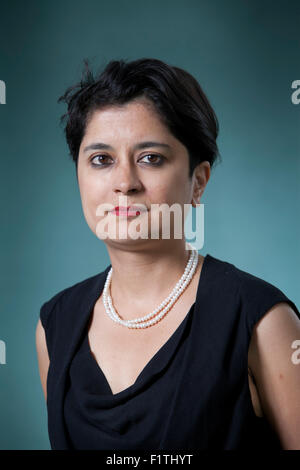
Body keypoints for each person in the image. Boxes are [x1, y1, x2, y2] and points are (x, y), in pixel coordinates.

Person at [36, 57, 300, 450]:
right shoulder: (55, 325)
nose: (124, 183)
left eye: (151, 158)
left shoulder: (262, 322)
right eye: (101, 160)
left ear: (198, 181)